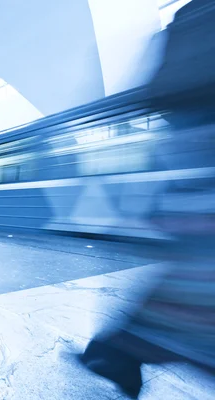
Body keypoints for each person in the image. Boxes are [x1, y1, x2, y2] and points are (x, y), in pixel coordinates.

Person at [74, 2, 215, 398]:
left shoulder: (191, 17)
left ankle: (124, 346)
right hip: (200, 119)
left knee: (204, 251)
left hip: (188, 118)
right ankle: (125, 345)